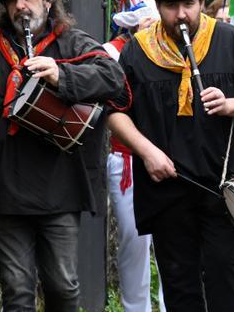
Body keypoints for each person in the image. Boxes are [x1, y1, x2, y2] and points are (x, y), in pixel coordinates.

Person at [0, 0, 126, 310]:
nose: (20, 6)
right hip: (4, 187)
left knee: (63, 286)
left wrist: (62, 74)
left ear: (47, 1)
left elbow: (113, 79)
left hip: (60, 186)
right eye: (12, 0)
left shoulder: (72, 43)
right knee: (17, 291)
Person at [107, 0, 234, 312]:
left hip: (222, 187)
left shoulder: (230, 40)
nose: (181, 15)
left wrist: (230, 104)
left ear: (201, 2)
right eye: (171, 6)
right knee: (178, 285)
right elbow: (115, 112)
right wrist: (147, 152)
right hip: (166, 187)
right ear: (158, 7)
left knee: (224, 277)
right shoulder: (137, 50)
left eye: (188, 5)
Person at [103, 17, 166, 312]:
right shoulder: (112, 52)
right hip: (128, 162)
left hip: (171, 161)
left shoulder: (175, 49)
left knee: (173, 242)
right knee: (134, 242)